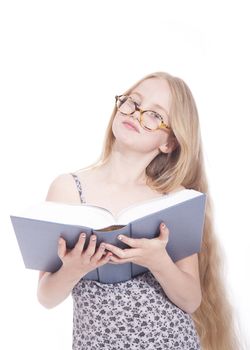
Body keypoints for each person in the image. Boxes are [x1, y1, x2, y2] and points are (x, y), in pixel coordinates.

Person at [37, 71, 242, 350]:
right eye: (133, 102)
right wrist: (72, 269)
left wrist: (159, 261)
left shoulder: (174, 199)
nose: (136, 113)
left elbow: (191, 299)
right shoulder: (67, 189)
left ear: (169, 142)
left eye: (155, 115)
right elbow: (46, 296)